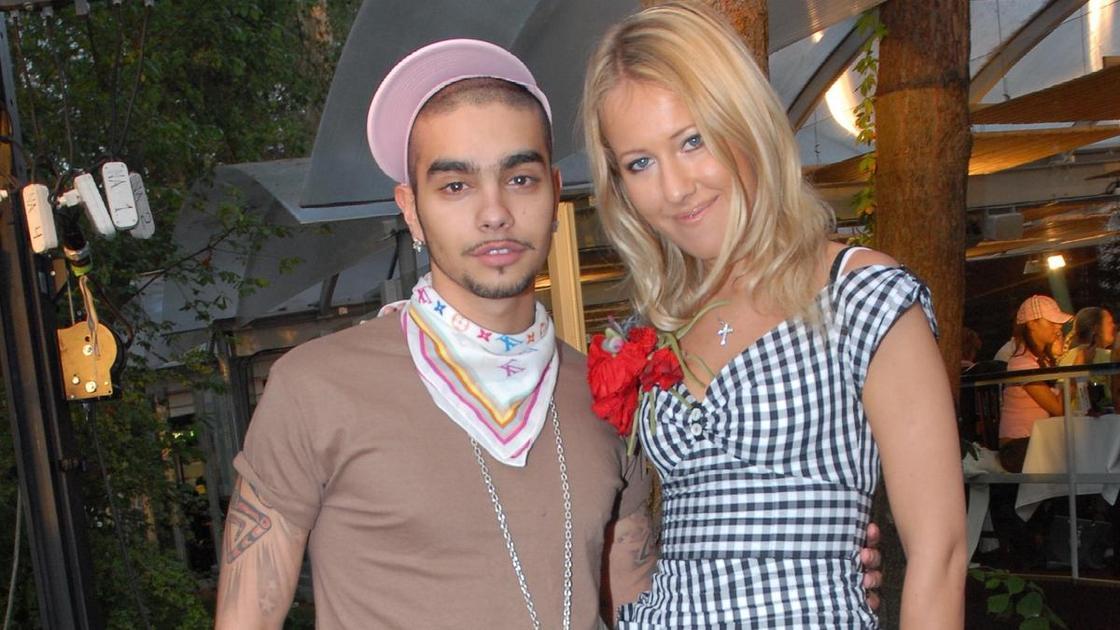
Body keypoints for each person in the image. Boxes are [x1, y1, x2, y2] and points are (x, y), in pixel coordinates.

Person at [213, 37, 884, 629]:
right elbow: (249, 613)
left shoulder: (608, 393)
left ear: (555, 192)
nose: (494, 213)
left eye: (520, 178)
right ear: (411, 210)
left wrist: (810, 562)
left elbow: (640, 602)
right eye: (455, 186)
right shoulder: (317, 386)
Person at [581, 2, 965, 628]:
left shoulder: (859, 294)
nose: (675, 188)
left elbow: (940, 555)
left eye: (692, 140)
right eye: (640, 163)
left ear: (745, 122)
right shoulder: (661, 322)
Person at [999, 295, 1072, 472]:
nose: (1058, 327)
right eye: (1052, 322)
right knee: (1078, 453)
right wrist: (1074, 369)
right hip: (1017, 446)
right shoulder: (1021, 363)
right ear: (1032, 324)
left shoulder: (1040, 361)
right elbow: (1058, 408)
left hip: (1037, 440)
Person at [1058, 306, 1116, 413]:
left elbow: (1062, 398)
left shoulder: (1066, 358)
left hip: (1073, 420)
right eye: (1110, 323)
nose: (1114, 326)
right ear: (1096, 329)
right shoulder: (1109, 357)